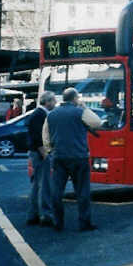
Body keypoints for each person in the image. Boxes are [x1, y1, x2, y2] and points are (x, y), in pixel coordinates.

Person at [42, 87, 102, 231]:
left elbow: (45, 136)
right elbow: (97, 123)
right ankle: (84, 223)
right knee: (82, 191)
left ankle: (58, 222)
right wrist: (85, 107)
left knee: (57, 191)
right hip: (79, 157)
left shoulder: (51, 115)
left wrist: (51, 151)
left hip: (59, 157)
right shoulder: (80, 112)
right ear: (75, 98)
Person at [26, 91, 56, 227]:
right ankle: (46, 215)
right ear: (47, 102)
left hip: (36, 153)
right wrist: (45, 153)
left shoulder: (37, 113)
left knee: (37, 184)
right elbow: (38, 136)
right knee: (45, 184)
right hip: (40, 153)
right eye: (53, 101)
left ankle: (34, 214)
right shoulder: (40, 115)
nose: (55, 104)